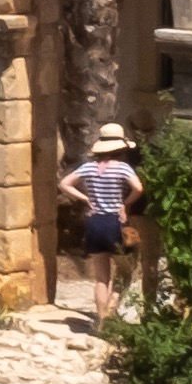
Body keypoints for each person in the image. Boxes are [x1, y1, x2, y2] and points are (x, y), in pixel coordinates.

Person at [58, 122, 145, 318]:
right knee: (125, 271)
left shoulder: (88, 167)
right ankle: (112, 308)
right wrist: (124, 203)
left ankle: (100, 320)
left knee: (100, 278)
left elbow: (64, 183)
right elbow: (138, 188)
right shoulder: (122, 168)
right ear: (120, 148)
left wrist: (85, 198)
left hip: (94, 222)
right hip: (116, 222)